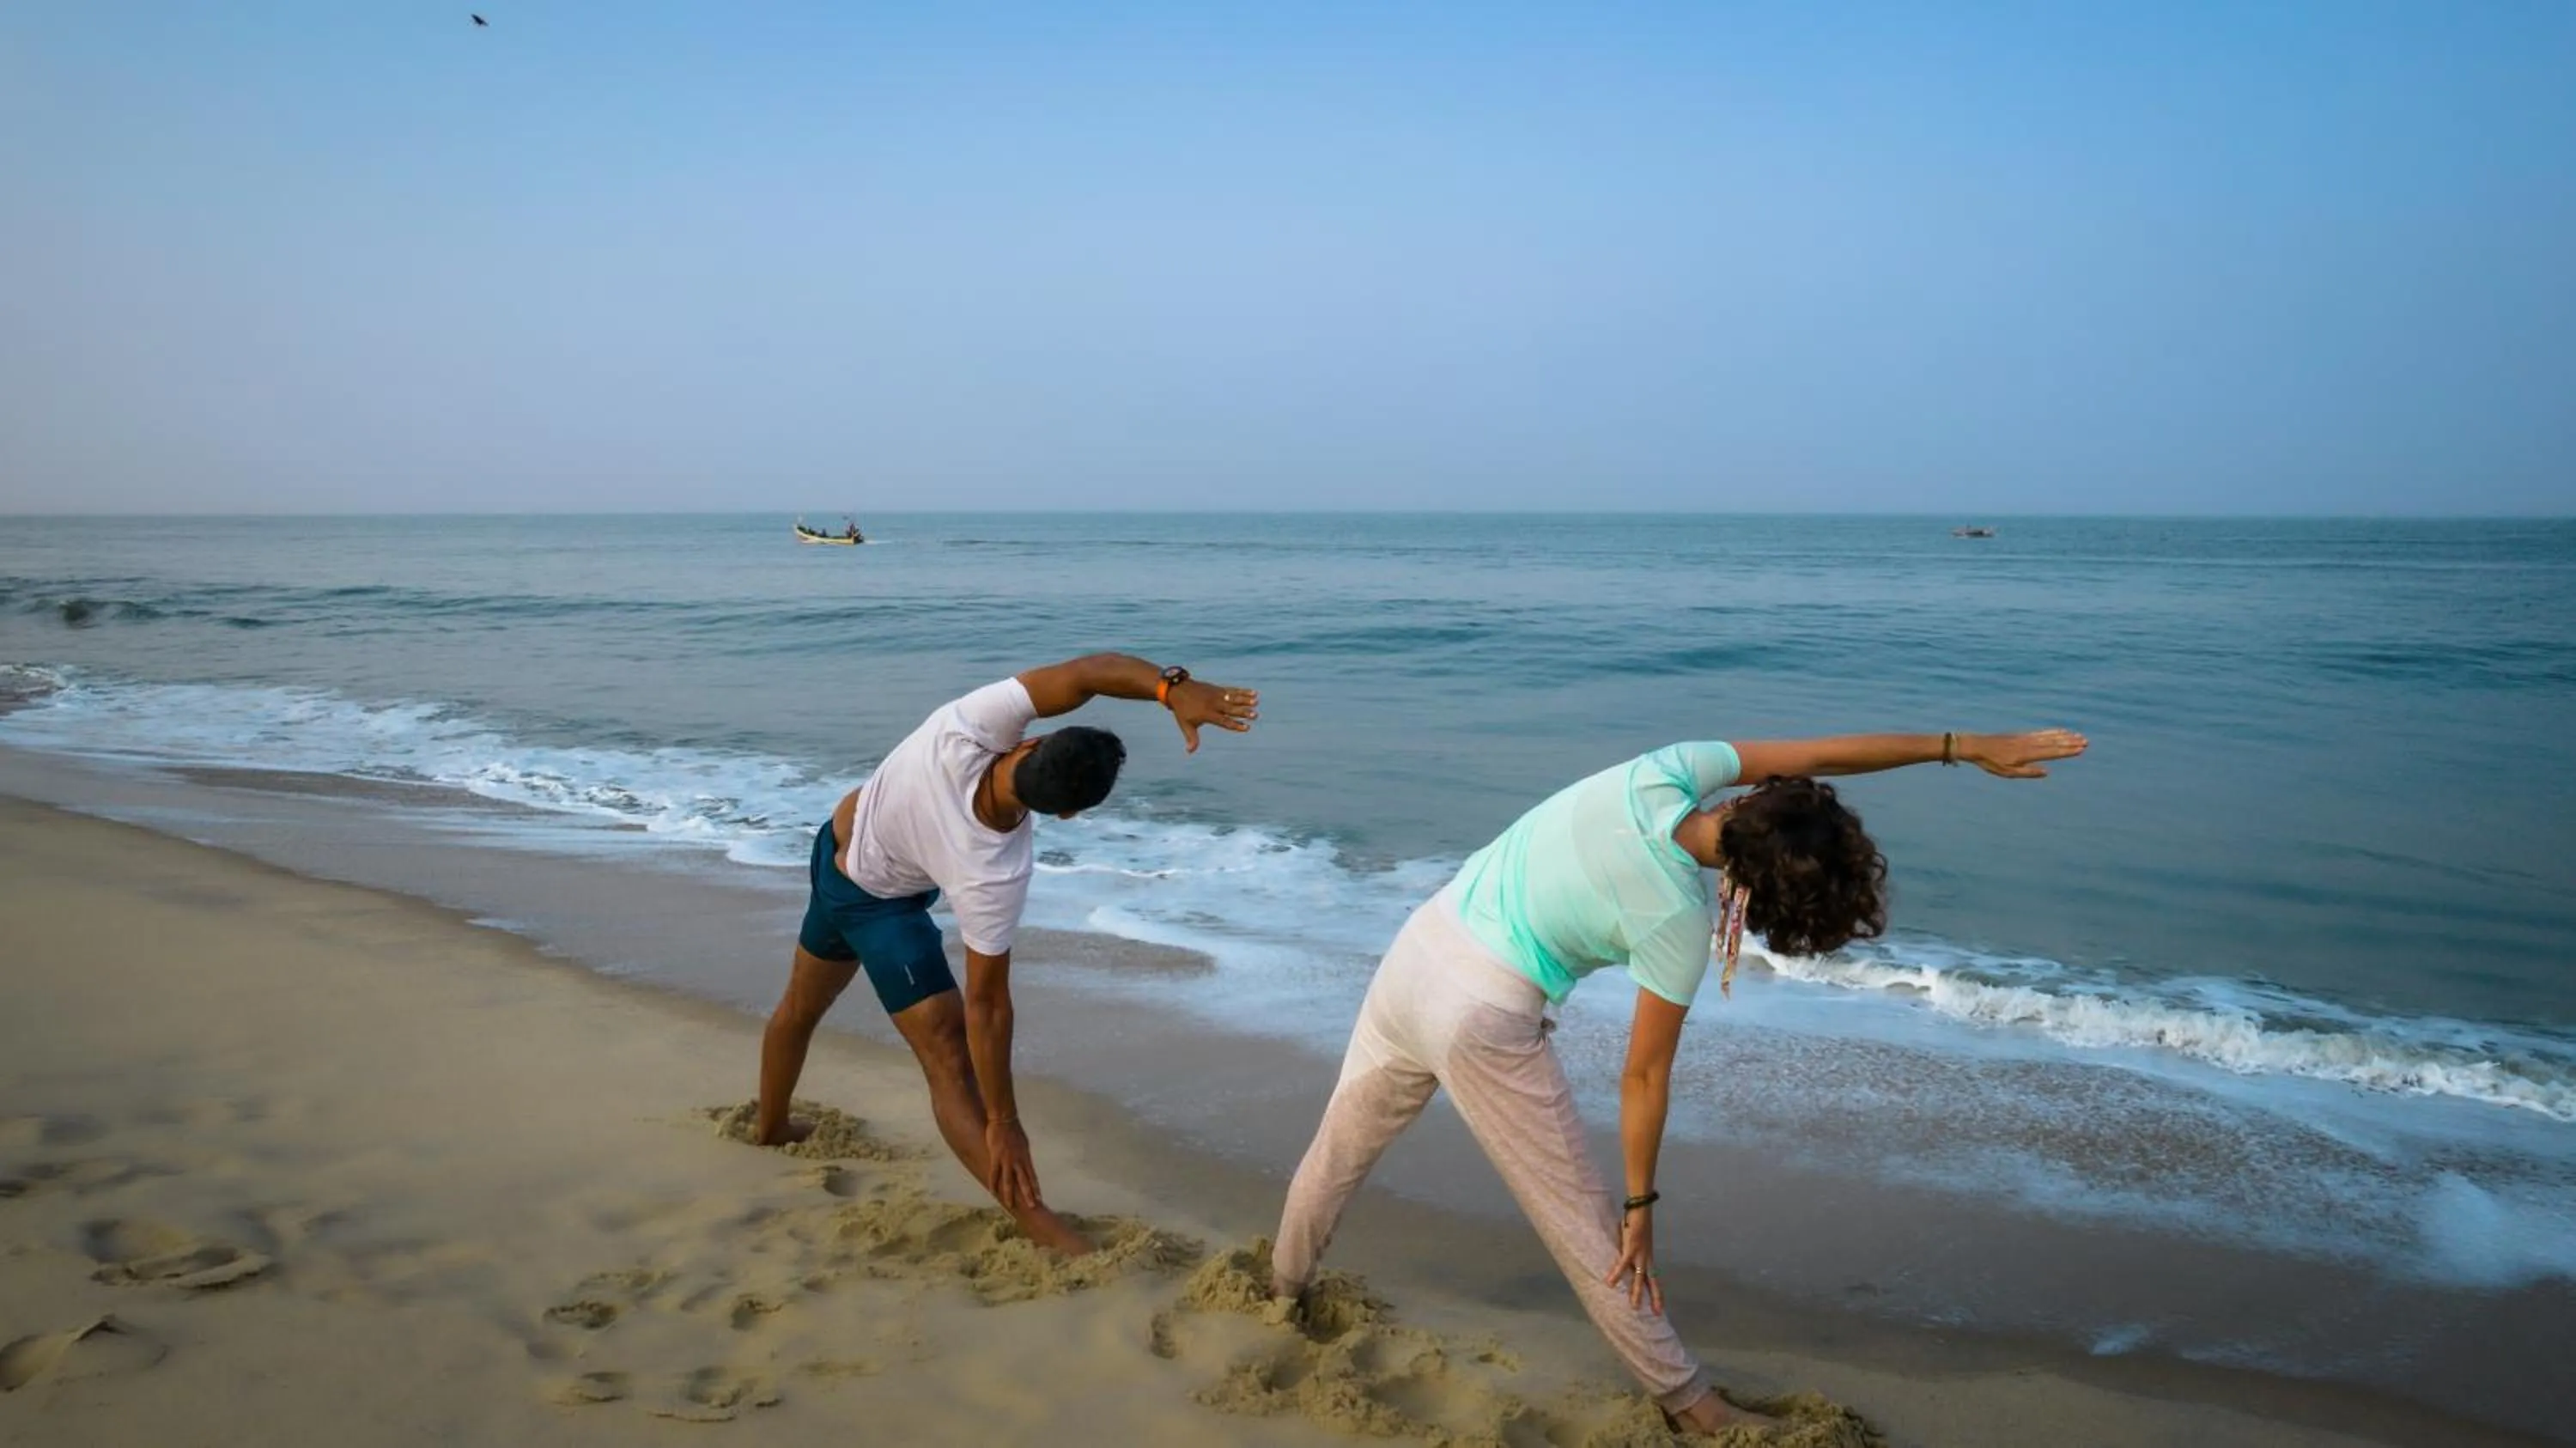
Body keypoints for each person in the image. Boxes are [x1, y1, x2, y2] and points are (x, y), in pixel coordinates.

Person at [1269, 726, 2087, 1434]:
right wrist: (1639, 1208)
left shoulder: (1664, 771)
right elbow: (1644, 1076)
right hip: (1483, 1013)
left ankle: (1282, 1288)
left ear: (1755, 800)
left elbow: (1824, 748)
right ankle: (1691, 1403)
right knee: (1592, 1234)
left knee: (1341, 1143)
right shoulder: (1676, 919)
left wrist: (1958, 745)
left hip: (1423, 942)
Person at [759, 654, 1259, 1255]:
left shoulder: (967, 725)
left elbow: (1086, 675)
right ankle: (1041, 1227)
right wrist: (1003, 1123)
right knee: (947, 1053)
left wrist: (1170, 688)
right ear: (1068, 813)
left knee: (800, 1007)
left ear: (1035, 741)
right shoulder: (991, 872)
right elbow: (987, 1006)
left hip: (833, 849)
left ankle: (770, 1127)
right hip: (877, 904)